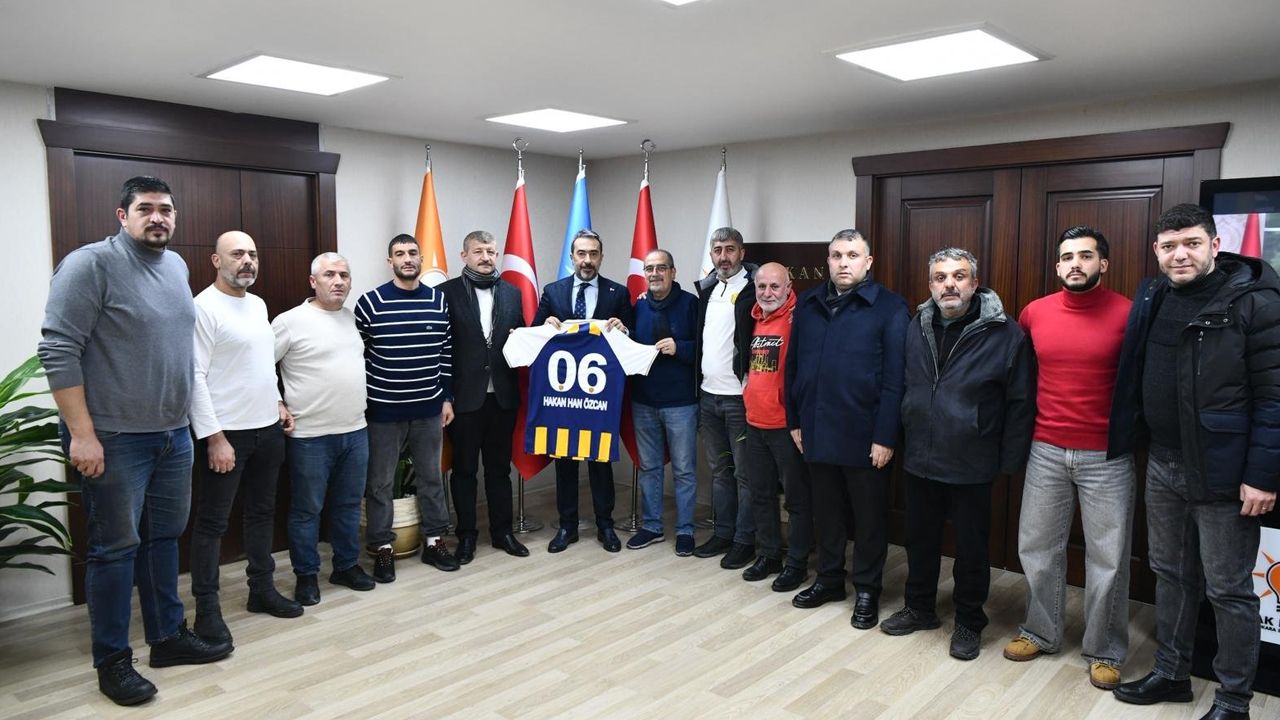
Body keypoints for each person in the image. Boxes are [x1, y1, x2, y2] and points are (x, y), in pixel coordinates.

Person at [38, 176, 230, 706]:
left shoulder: (176, 266)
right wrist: (82, 434)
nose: (158, 217)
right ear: (122, 216)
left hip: (171, 434)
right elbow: (58, 349)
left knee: (164, 539)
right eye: (145, 208)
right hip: (113, 437)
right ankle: (113, 661)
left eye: (166, 209)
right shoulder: (89, 265)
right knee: (114, 549)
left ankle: (166, 638)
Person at [1109, 204, 1280, 720]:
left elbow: (1274, 398)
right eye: (1169, 246)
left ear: (1215, 245)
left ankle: (1233, 701)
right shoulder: (1154, 295)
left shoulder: (1254, 302)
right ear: (1156, 251)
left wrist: (1262, 476)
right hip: (1162, 462)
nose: (1179, 254)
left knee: (1228, 590)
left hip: (1224, 472)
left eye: (1191, 243)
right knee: (1171, 574)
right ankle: (1172, 674)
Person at [881, 247, 1035, 661]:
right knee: (920, 540)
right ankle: (919, 608)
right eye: (940, 277)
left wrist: (1010, 459)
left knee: (971, 549)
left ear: (974, 283)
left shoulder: (1005, 333)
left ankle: (969, 621)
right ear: (931, 285)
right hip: (920, 454)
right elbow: (905, 383)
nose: (949, 284)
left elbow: (1020, 401)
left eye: (959, 276)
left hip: (972, 458)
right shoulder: (917, 324)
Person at [1002, 226, 1134, 691]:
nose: (1075, 263)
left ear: (1103, 264)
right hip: (1046, 449)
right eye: (1067, 257)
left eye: (1086, 255)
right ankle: (1041, 631)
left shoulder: (1128, 314)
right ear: (1057, 266)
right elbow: (1020, 378)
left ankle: (1105, 650)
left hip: (1107, 455)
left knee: (1108, 558)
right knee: (1037, 547)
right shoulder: (1034, 313)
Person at [785, 233, 909, 628]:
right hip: (816, 427)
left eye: (852, 255)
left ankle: (868, 588)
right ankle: (829, 580)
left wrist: (886, 436)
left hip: (865, 434)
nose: (843, 262)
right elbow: (793, 367)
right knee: (827, 512)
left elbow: (896, 379)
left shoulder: (889, 307)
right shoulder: (808, 303)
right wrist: (795, 420)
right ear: (828, 260)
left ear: (868, 262)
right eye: (836, 255)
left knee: (869, 518)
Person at [188, 231, 303, 647]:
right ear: (216, 260)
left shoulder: (257, 304)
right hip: (226, 434)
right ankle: (207, 610)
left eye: (252, 254)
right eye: (237, 254)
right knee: (211, 524)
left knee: (261, 513)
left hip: (267, 429)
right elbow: (194, 376)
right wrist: (214, 437)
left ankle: (261, 590)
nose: (247, 261)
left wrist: (277, 402)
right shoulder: (202, 308)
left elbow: (261, 365)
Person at [273, 252, 374, 605]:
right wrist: (277, 402)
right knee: (307, 510)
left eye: (344, 275)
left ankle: (345, 566)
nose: (338, 281)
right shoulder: (289, 321)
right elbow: (259, 366)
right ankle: (306, 575)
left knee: (348, 505)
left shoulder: (351, 318)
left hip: (355, 430)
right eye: (329, 275)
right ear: (313, 281)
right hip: (309, 436)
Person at [353, 234, 456, 580]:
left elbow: (445, 353)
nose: (407, 259)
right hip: (383, 412)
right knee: (380, 483)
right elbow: (357, 355)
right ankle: (382, 548)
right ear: (390, 261)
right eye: (400, 254)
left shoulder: (438, 301)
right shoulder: (371, 302)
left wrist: (446, 398)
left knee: (431, 478)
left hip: (428, 409)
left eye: (412, 253)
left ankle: (435, 542)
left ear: (421, 258)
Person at [532, 229, 635, 553]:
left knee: (600, 460)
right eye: (581, 253)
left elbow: (631, 338)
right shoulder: (553, 292)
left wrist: (624, 328)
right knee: (564, 459)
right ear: (572, 257)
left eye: (593, 254)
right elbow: (534, 333)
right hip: (563, 394)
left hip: (599, 396)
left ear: (601, 257)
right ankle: (567, 526)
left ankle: (606, 525)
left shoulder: (617, 293)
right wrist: (545, 326)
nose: (587, 260)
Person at [439, 230, 529, 562]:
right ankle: (466, 536)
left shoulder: (512, 293)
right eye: (478, 251)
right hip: (463, 400)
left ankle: (502, 532)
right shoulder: (445, 293)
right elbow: (440, 350)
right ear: (464, 256)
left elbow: (520, 339)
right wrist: (445, 396)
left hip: (502, 398)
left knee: (499, 470)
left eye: (491, 251)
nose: (486, 257)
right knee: (464, 471)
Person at [740, 262, 814, 593]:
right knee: (761, 494)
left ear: (788, 288)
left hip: (787, 427)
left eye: (775, 286)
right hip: (754, 422)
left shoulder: (800, 320)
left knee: (796, 500)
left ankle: (797, 564)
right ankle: (769, 555)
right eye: (762, 286)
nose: (767, 293)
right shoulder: (753, 317)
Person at [626, 249, 700, 557]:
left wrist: (679, 347)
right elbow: (630, 343)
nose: (655, 274)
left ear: (673, 271)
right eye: (649, 269)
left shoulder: (692, 304)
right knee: (649, 468)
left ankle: (685, 530)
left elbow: (706, 349)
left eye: (661, 268)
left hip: (681, 403)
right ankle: (653, 526)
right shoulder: (639, 306)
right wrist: (623, 331)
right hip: (643, 401)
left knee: (683, 470)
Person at [693, 227, 759, 570]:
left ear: (742, 253)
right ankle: (723, 533)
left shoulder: (754, 289)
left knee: (745, 475)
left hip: (739, 399)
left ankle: (744, 541)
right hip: (709, 397)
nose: (723, 256)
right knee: (720, 471)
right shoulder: (707, 289)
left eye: (730, 249)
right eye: (717, 250)